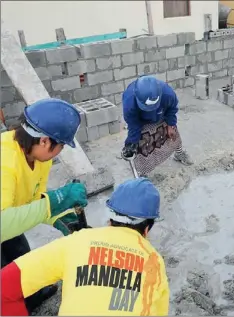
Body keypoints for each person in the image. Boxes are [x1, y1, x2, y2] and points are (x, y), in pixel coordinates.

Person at [1, 178, 170, 316]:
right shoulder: (154, 262)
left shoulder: (77, 242)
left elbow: (4, 286)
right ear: (147, 228)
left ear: (110, 219)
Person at [1, 98, 89, 313]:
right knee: (4, 277)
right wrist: (54, 202)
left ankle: (31, 297)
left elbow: (32, 199)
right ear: (44, 141)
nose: (60, 151)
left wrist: (55, 215)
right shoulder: (5, 160)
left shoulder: (40, 157)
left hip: (6, 211)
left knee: (21, 254)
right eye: (60, 145)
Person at [121, 75, 193, 177]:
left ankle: (179, 154)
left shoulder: (168, 94)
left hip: (161, 115)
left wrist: (170, 125)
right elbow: (133, 124)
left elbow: (172, 109)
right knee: (141, 146)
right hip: (141, 122)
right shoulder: (129, 101)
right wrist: (131, 143)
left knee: (174, 136)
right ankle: (142, 173)